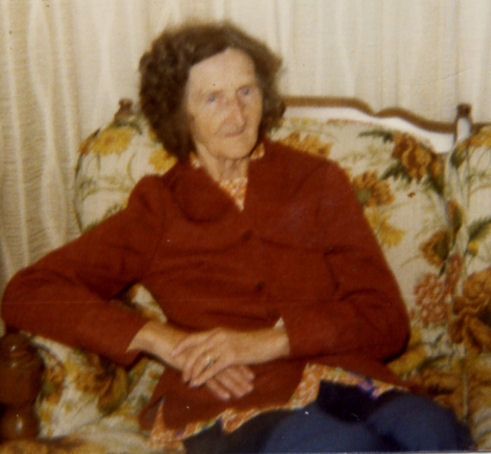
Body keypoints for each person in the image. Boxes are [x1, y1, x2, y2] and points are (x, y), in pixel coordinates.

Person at [1, 22, 472, 453]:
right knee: (335, 446)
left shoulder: (316, 180)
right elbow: (28, 291)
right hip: (230, 399)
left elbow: (386, 319)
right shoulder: (159, 207)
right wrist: (160, 340)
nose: (237, 113)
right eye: (213, 98)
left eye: (246, 91)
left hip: (346, 377)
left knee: (432, 430)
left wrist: (269, 342)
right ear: (180, 113)